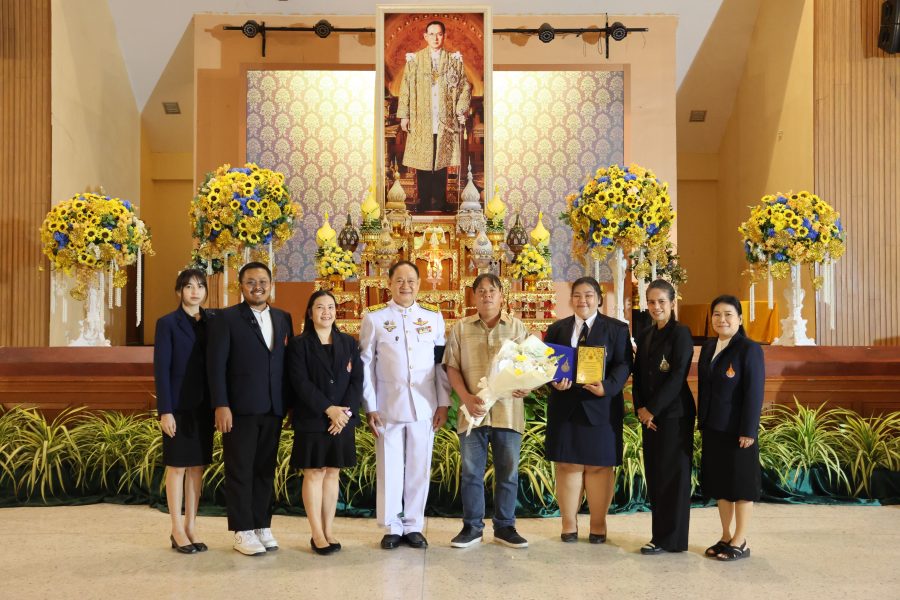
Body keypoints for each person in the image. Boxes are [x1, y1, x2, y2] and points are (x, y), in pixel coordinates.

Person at [360, 260, 450, 550]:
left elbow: (440, 366)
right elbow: (366, 365)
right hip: (388, 406)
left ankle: (413, 524)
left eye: (411, 280)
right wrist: (370, 406)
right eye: (399, 280)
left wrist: (443, 403)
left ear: (419, 284)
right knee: (390, 466)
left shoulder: (433, 318)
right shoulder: (374, 318)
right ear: (389, 284)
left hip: (425, 405)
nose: (405, 286)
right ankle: (391, 526)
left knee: (418, 467)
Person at [207, 261, 294, 556]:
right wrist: (221, 404)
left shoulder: (284, 318)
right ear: (241, 286)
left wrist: (289, 406)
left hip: (273, 407)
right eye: (250, 282)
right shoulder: (226, 318)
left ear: (271, 284)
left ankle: (261, 524)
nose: (257, 287)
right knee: (240, 469)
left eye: (262, 281)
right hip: (240, 407)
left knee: (264, 470)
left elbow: (286, 365)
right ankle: (242, 530)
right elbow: (216, 366)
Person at [443, 273, 530, 549]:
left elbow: (531, 366)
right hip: (473, 413)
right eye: (480, 291)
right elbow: (452, 366)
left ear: (502, 296)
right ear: (474, 297)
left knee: (508, 471)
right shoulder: (460, 328)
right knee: (471, 472)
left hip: (508, 411)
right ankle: (472, 527)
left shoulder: (517, 328)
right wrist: (465, 397)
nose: (486, 295)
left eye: (492, 290)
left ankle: (505, 527)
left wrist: (526, 386)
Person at [545, 276, 633, 543]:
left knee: (599, 467)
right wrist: (554, 382)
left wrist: (607, 387)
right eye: (577, 296)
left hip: (601, 407)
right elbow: (549, 364)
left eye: (588, 295)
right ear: (570, 299)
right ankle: (568, 525)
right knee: (568, 465)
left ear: (599, 299)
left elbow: (624, 364)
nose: (582, 301)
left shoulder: (617, 329)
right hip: (565, 408)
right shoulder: (557, 329)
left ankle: (598, 525)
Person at [287, 290, 362, 556]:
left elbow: (356, 382)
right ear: (310, 312)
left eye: (331, 307)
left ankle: (329, 529)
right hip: (312, 418)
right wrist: (328, 409)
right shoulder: (298, 345)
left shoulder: (348, 343)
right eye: (320, 307)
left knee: (333, 472)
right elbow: (300, 383)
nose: (326, 312)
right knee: (314, 472)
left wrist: (344, 415)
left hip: (342, 420)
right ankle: (316, 533)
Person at [697, 294, 765, 561]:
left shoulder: (749, 349)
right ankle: (726, 535)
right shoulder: (708, 346)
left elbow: (754, 391)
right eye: (716, 314)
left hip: (739, 432)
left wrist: (749, 430)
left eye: (728, 314)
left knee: (741, 486)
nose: (722, 319)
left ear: (739, 318)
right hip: (713, 428)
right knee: (721, 485)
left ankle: (741, 539)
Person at [153, 268, 214, 554]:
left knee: (197, 467)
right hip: (177, 406)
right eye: (189, 286)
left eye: (200, 286)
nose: (195, 292)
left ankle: (191, 525)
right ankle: (176, 529)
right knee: (177, 467)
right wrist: (165, 410)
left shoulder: (212, 322)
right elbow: (161, 370)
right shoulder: (167, 324)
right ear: (179, 291)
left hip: (204, 407)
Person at [632, 279, 696, 554]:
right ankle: (659, 536)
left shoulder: (681, 333)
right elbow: (638, 377)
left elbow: (678, 376)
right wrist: (640, 410)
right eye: (651, 302)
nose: (656, 307)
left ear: (672, 303)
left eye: (661, 302)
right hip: (650, 417)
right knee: (656, 476)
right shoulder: (645, 333)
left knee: (674, 477)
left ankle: (674, 540)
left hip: (674, 415)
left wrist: (653, 409)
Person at [397, 19, 472, 212]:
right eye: (431, 34)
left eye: (439, 34)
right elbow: (405, 88)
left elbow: (464, 86)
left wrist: (460, 109)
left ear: (444, 36)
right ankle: (423, 202)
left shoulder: (454, 60)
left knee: (441, 162)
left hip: (444, 120)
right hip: (421, 119)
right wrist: (404, 115)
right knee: (424, 162)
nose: (435, 38)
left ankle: (440, 201)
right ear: (425, 36)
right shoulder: (415, 60)